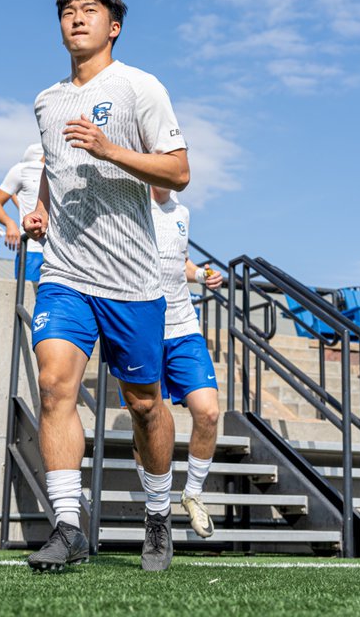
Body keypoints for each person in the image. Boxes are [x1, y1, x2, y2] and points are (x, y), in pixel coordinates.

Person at [22, 0, 189, 573]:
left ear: (113, 25)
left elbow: (178, 173)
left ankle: (159, 515)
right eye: (67, 12)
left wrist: (109, 148)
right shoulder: (46, 100)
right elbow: (55, 162)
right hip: (65, 272)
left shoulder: (140, 88)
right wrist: (42, 204)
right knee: (55, 384)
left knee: (146, 406)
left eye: (88, 11)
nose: (76, 19)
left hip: (133, 281)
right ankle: (69, 525)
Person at [128, 187, 224, 539]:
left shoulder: (181, 213)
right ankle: (158, 505)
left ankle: (193, 494)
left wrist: (202, 275)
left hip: (184, 327)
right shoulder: (131, 201)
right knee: (149, 418)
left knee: (209, 412)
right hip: (142, 325)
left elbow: (178, 262)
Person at [0, 143, 45, 282]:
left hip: (62, 255)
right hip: (32, 250)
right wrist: (10, 223)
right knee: (27, 301)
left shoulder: (67, 170)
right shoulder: (23, 168)